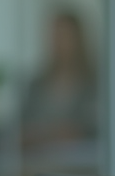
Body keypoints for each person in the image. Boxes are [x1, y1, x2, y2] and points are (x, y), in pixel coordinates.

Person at [21, 8, 98, 153]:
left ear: (78, 39)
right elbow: (23, 127)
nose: (58, 43)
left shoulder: (93, 83)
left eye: (65, 36)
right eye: (55, 36)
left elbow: (91, 129)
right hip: (36, 161)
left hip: (79, 163)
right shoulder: (36, 84)